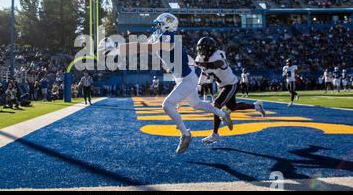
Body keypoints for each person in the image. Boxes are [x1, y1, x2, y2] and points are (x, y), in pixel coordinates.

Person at [100, 13, 232, 154]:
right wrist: (118, 49)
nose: (157, 26)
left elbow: (143, 47)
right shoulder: (160, 36)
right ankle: (222, 114)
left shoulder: (169, 35)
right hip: (183, 78)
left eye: (159, 24)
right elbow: (139, 47)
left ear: (168, 24)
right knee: (196, 104)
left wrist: (116, 46)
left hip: (187, 78)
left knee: (167, 105)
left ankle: (185, 134)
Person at [195, 37, 266, 145]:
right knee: (232, 107)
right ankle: (256, 106)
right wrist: (199, 85)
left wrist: (200, 64)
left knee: (216, 105)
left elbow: (218, 64)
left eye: (203, 49)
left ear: (210, 48)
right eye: (200, 49)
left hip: (231, 84)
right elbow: (204, 72)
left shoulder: (217, 54)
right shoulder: (200, 58)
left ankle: (215, 134)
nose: (201, 51)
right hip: (222, 85)